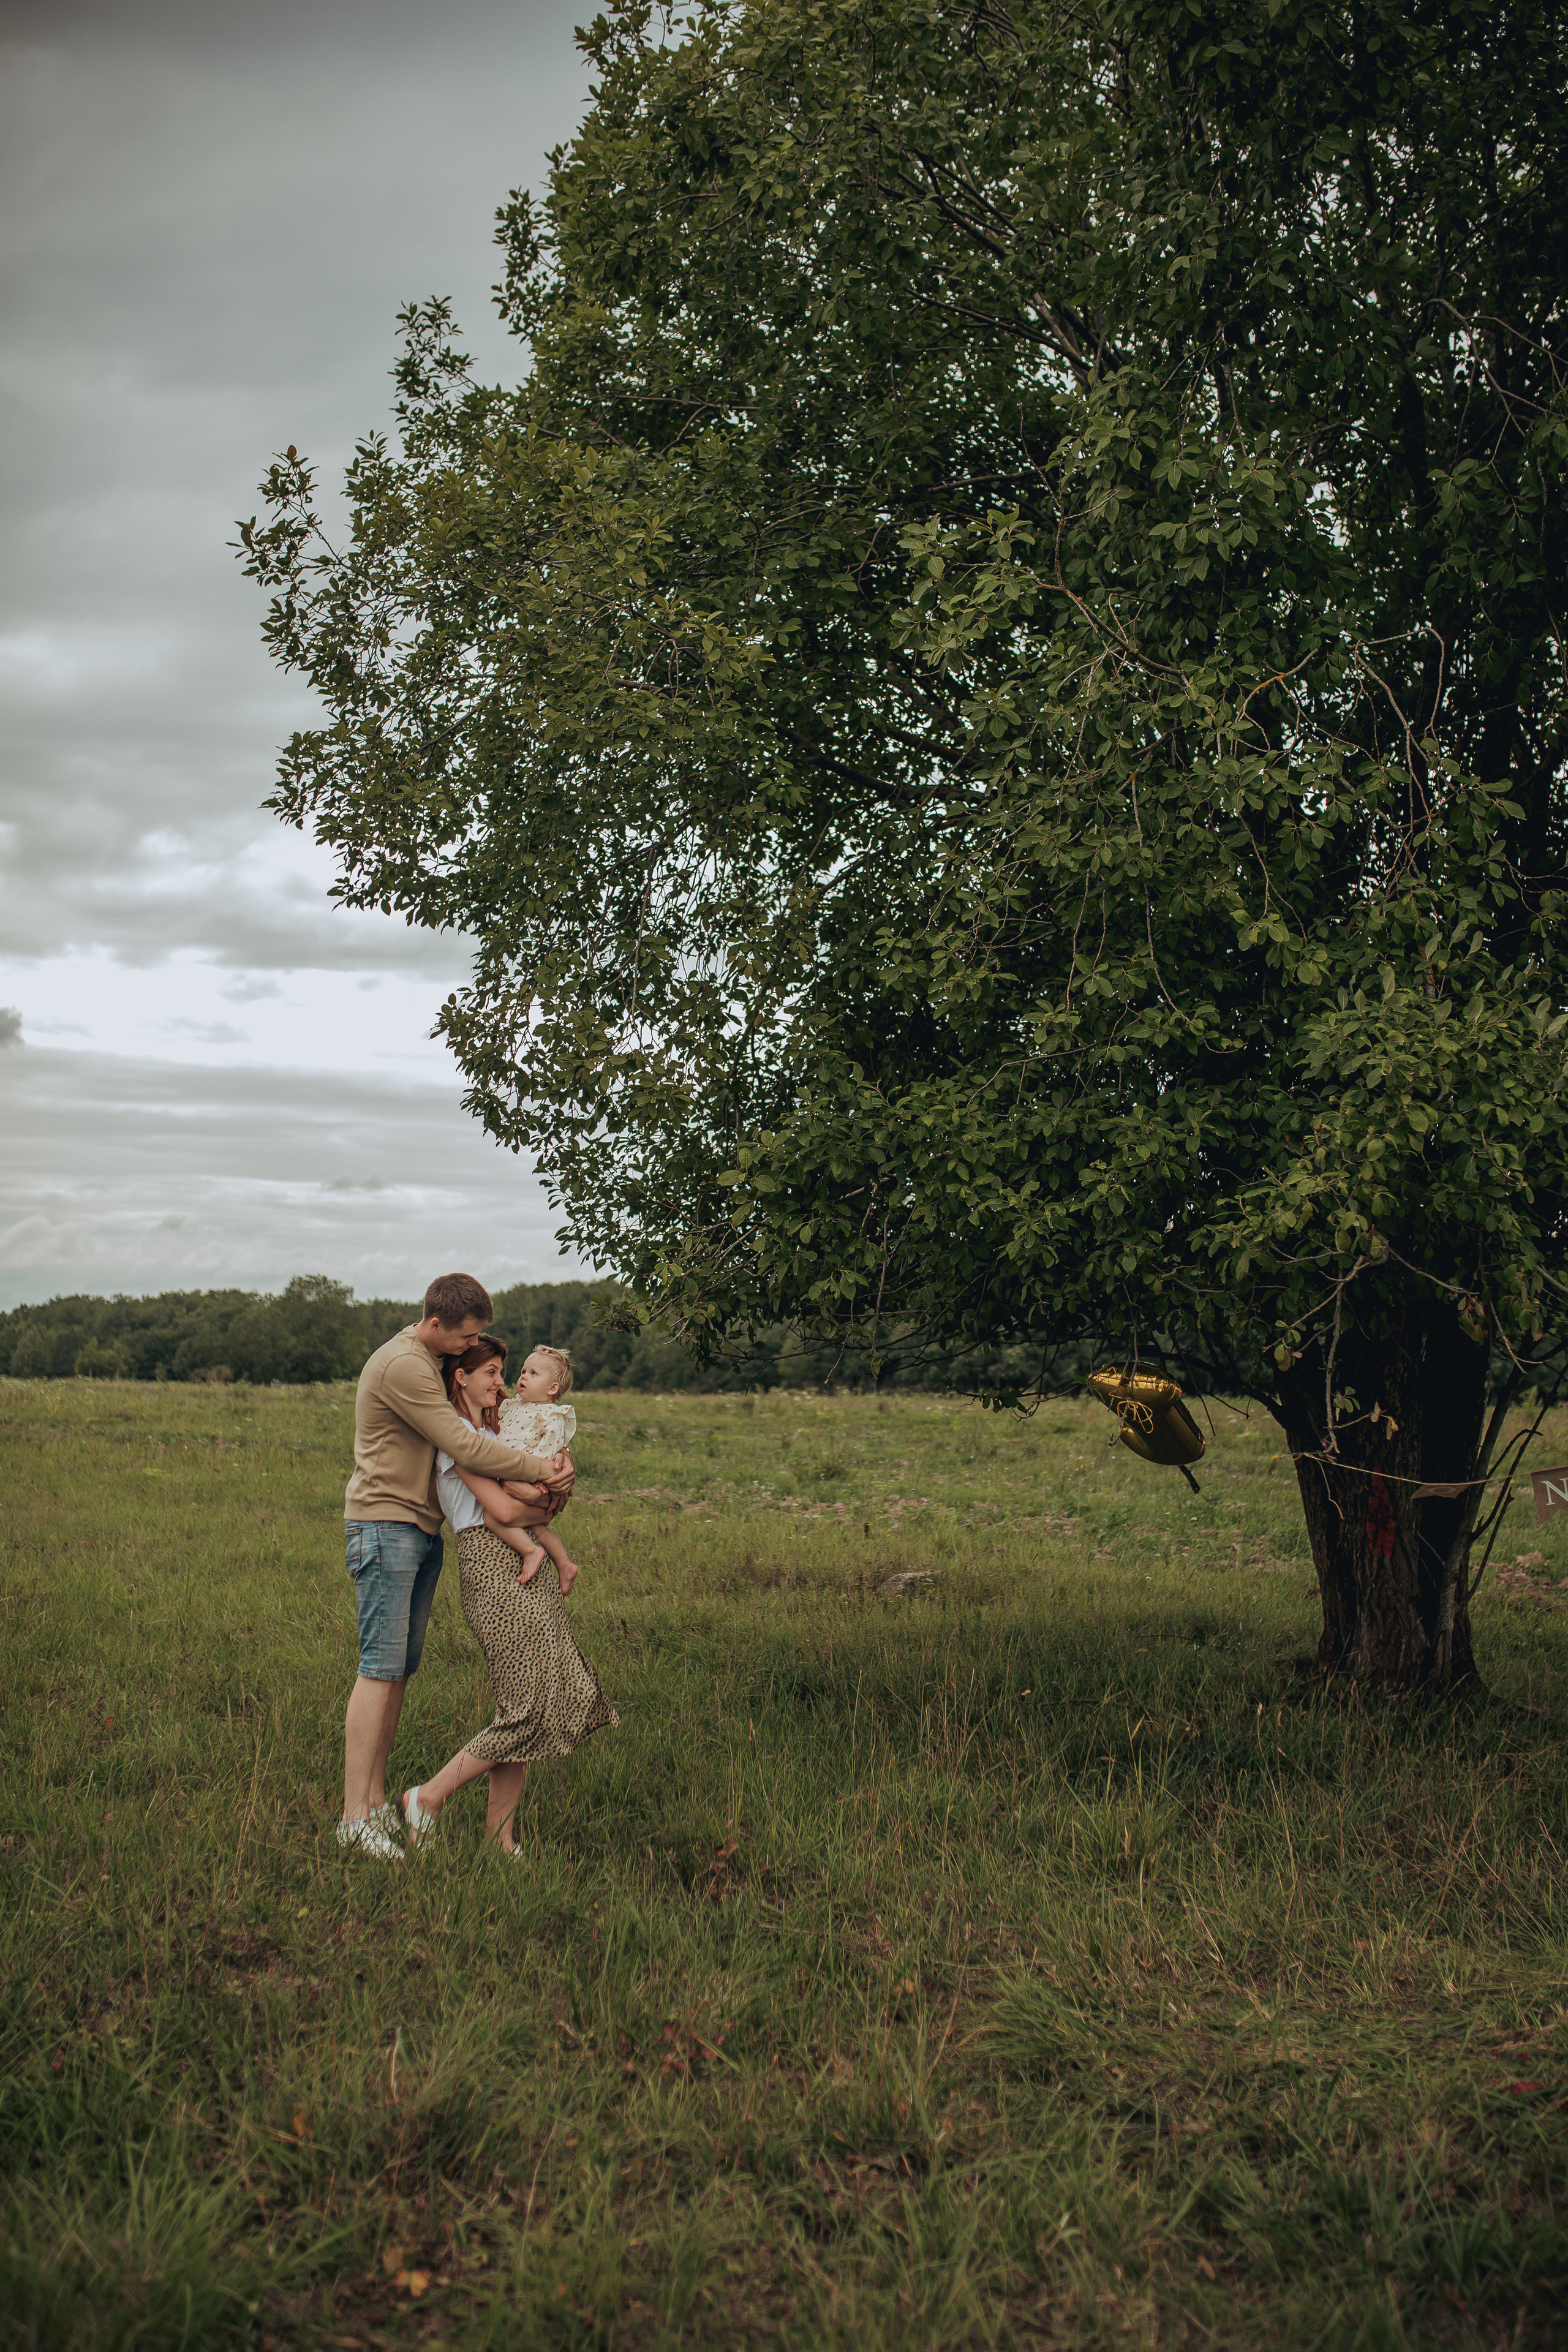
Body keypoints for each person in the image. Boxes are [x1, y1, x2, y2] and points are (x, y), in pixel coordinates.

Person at [338, 1273, 574, 1861]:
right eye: (466, 1338)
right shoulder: (407, 1365)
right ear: (437, 1323)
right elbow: (465, 1447)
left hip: (418, 1528)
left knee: (398, 1671)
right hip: (385, 1523)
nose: (470, 1348)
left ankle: (376, 1805)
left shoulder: (431, 1359)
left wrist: (552, 1476)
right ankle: (355, 1817)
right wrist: (542, 1473)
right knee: (379, 1668)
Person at [399, 1336, 617, 1856]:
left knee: (530, 1700)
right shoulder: (460, 1439)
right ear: (462, 1378)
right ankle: (428, 1796)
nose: (503, 1382)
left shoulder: (501, 1429)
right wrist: (549, 1500)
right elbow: (503, 1511)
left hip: (526, 1563)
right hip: (491, 1568)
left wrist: (558, 1483)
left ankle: (501, 1838)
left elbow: (540, 1490)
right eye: (493, 1373)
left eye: (505, 1372)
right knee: (526, 1708)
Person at [492, 1344, 581, 1594]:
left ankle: (531, 1551)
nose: (524, 1377)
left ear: (552, 1389)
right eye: (523, 1371)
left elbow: (550, 1446)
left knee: (492, 1516)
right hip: (513, 1471)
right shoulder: (515, 1406)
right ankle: (564, 1565)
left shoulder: (551, 1414)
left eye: (533, 1374)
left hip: (529, 1476)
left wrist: (538, 1478)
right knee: (537, 1528)